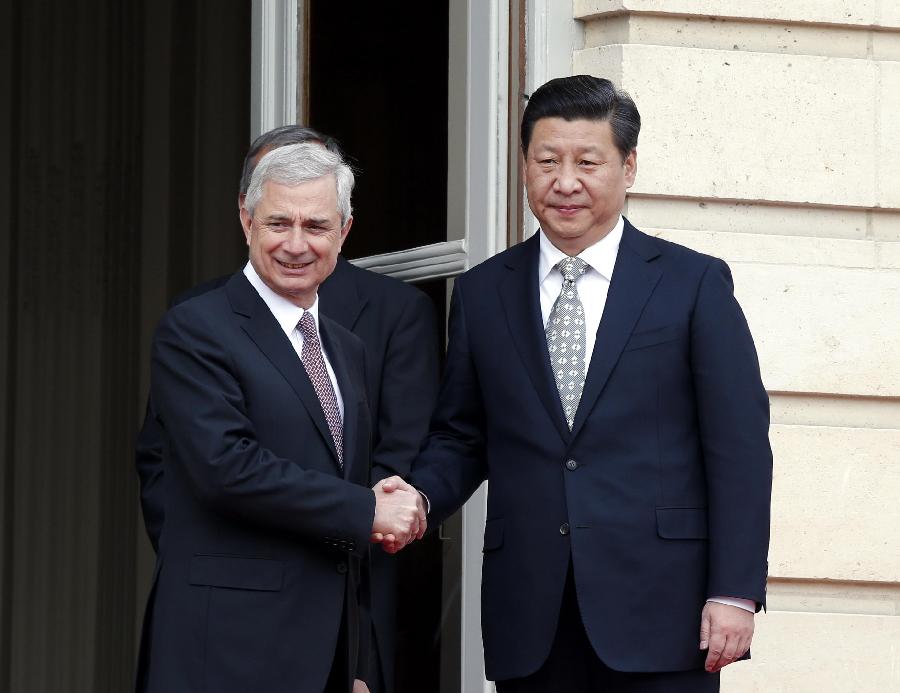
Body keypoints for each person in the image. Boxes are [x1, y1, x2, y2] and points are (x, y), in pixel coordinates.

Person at [404, 75, 773, 691]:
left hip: (665, 610)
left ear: (628, 168)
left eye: (588, 162)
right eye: (547, 161)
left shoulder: (692, 284)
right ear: (525, 167)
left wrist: (734, 590)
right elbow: (462, 437)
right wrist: (416, 499)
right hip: (532, 615)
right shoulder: (482, 292)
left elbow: (738, 448)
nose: (565, 182)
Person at [136, 125, 440, 693]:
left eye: (316, 226)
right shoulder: (196, 328)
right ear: (247, 221)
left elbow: (344, 504)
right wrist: (367, 509)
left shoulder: (344, 348)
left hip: (324, 654)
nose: (296, 245)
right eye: (279, 223)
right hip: (224, 650)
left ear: (344, 232)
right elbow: (226, 468)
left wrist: (355, 659)